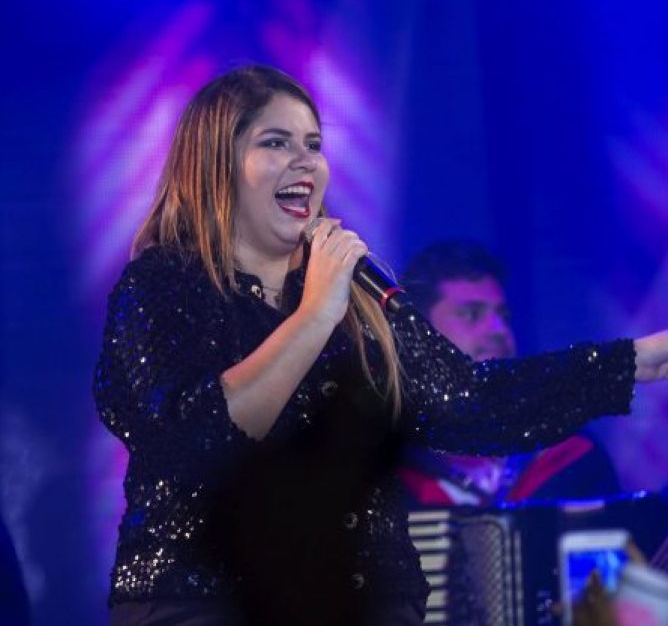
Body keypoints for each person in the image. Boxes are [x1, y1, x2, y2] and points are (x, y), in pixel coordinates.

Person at [93, 64, 668, 626]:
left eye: (313, 145)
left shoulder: (357, 303)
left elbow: (472, 402)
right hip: (208, 601)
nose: (306, 161)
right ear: (216, 164)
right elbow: (200, 438)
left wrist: (638, 359)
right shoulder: (163, 286)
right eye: (276, 142)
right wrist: (316, 313)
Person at [400, 241, 620, 507]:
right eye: (471, 314)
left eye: (504, 316)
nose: (499, 330)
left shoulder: (572, 456)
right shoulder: (388, 468)